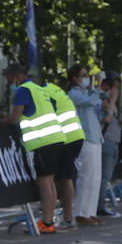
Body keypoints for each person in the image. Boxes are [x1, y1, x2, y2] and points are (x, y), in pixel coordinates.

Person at [0, 63, 66, 233]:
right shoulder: (39, 89)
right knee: (49, 180)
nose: (8, 83)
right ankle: (48, 220)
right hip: (56, 138)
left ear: (16, 76)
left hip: (43, 141)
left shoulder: (23, 90)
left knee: (44, 182)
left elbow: (15, 118)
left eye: (9, 78)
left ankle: (47, 222)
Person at [66, 64, 105, 226]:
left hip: (95, 137)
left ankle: (90, 211)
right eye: (83, 75)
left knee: (95, 177)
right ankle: (80, 212)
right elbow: (90, 103)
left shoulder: (85, 92)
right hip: (85, 137)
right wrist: (98, 89)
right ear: (74, 78)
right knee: (86, 176)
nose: (86, 77)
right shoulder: (73, 93)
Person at [43, 76, 82, 228]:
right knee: (64, 178)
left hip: (65, 137)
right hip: (74, 136)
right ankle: (66, 217)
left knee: (62, 178)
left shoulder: (42, 93)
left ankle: (64, 218)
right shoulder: (56, 90)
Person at [97, 71, 122, 218]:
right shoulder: (102, 99)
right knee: (103, 177)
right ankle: (99, 207)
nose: (116, 90)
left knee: (106, 177)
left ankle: (100, 205)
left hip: (114, 141)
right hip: (105, 141)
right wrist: (112, 100)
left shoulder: (111, 101)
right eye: (114, 87)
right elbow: (106, 119)